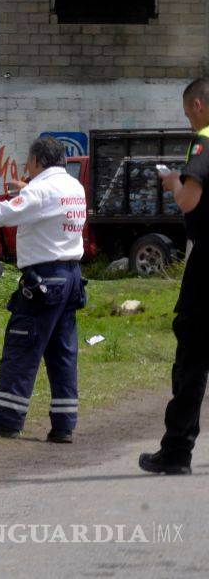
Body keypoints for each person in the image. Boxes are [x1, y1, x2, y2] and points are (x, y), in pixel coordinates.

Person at [0, 136, 87, 442]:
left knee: (22, 346)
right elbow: (44, 208)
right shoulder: (73, 186)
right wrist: (26, 193)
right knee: (62, 352)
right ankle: (64, 424)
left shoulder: (42, 189)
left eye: (28, 163)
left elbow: (0, 215)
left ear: (36, 161)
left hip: (45, 278)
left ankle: (7, 419)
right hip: (71, 276)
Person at [140, 78, 209, 474]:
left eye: (188, 114)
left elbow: (190, 198)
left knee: (192, 356)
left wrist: (172, 183)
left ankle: (177, 451)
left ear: (198, 105)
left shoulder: (203, 141)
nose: (188, 122)